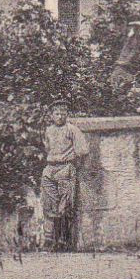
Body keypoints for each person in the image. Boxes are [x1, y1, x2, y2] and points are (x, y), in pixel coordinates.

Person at [37, 106, 91, 251]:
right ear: (51, 115)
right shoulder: (48, 131)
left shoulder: (72, 129)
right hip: (49, 169)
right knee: (49, 204)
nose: (60, 116)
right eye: (56, 113)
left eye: (63, 114)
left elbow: (83, 150)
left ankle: (64, 241)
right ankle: (49, 240)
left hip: (65, 168)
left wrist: (73, 165)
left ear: (67, 115)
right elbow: (46, 149)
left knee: (65, 206)